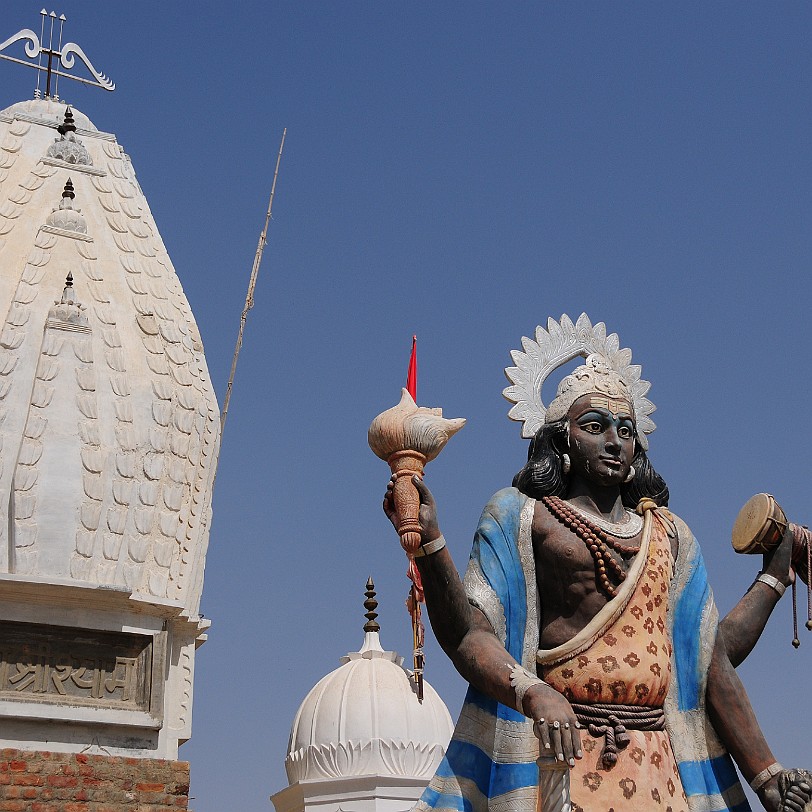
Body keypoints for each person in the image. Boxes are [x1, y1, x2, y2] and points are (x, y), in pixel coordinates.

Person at [383, 316, 811, 812]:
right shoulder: (522, 517)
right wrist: (430, 543)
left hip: (661, 773)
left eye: (625, 430)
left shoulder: (671, 535)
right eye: (595, 426)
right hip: (564, 762)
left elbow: (708, 661)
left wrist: (766, 773)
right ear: (562, 438)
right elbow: (468, 638)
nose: (613, 440)